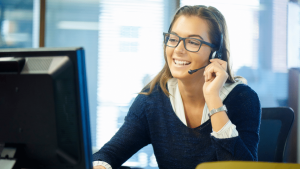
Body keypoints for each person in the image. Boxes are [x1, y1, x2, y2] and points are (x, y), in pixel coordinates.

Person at [93, 5, 261, 169]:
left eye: (193, 42)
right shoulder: (152, 99)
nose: (178, 50)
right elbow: (109, 153)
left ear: (215, 53)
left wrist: (213, 100)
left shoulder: (243, 99)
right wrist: (100, 165)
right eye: (173, 39)